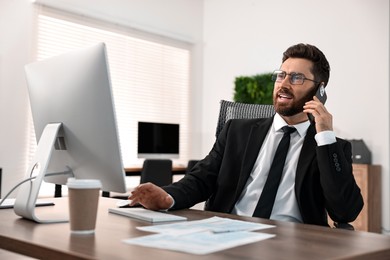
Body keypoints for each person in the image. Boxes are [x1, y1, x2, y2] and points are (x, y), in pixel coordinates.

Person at [129, 43, 363, 227]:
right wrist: (168, 198)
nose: (283, 84)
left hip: (293, 243)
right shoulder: (236, 131)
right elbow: (201, 179)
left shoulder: (330, 146)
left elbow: (345, 212)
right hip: (228, 233)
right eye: (281, 75)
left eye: (296, 78)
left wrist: (324, 136)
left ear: (319, 90)